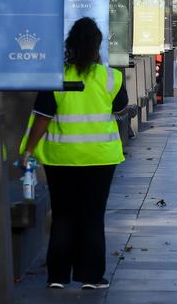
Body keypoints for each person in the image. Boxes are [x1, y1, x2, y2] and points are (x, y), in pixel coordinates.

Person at [19, 17, 128, 289]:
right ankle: (91, 277)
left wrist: (29, 150)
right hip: (101, 158)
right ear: (97, 46)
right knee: (93, 216)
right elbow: (121, 110)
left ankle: (57, 276)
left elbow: (42, 118)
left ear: (70, 45)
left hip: (61, 158)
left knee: (64, 215)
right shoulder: (111, 77)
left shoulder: (56, 76)